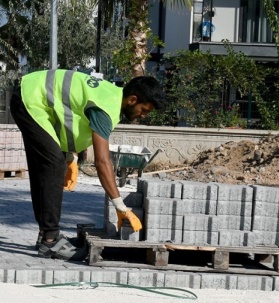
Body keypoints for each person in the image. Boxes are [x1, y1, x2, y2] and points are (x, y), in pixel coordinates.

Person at [10, 69, 165, 260]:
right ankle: (50, 240)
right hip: (30, 99)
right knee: (53, 165)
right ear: (132, 99)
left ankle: (46, 233)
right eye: (144, 110)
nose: (144, 116)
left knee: (49, 166)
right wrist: (120, 207)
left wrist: (69, 157)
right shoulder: (105, 108)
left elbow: (69, 117)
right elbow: (102, 162)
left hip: (29, 95)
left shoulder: (109, 96)